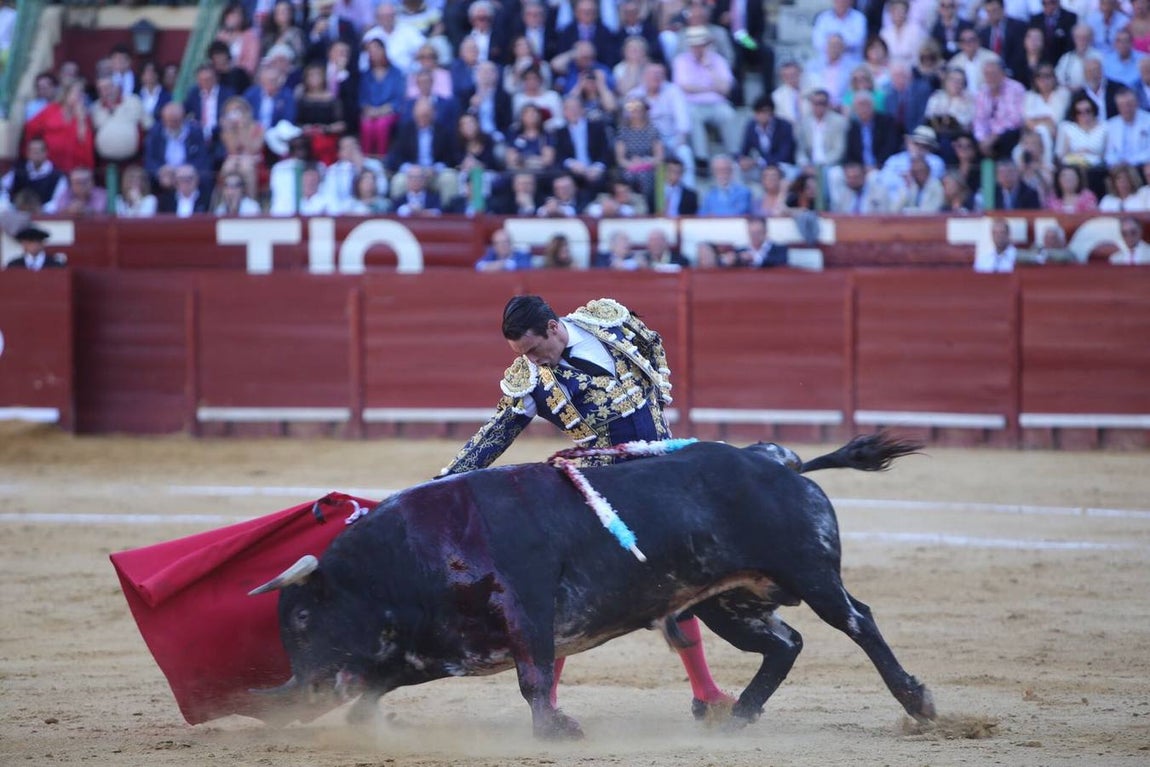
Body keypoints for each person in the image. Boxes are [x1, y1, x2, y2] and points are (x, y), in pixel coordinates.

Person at [439, 294, 734, 719]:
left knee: (681, 579)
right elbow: (493, 436)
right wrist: (444, 483)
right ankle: (547, 708)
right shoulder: (531, 381)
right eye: (522, 354)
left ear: (553, 327)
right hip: (606, 490)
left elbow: (652, 349)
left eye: (534, 349)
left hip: (664, 477)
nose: (532, 360)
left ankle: (706, 694)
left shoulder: (608, 322)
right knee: (569, 598)